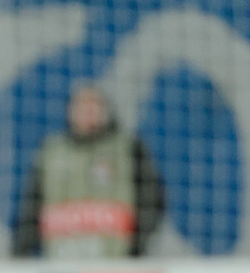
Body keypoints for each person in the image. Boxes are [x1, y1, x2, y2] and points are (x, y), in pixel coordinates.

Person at [13, 83, 165, 258]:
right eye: (82, 105)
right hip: (61, 265)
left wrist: (137, 247)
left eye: (94, 104)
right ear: (70, 110)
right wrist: (20, 252)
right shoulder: (51, 152)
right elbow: (31, 208)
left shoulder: (128, 148)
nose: (88, 111)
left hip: (116, 264)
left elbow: (152, 199)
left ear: (106, 110)